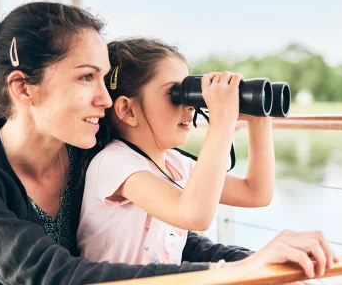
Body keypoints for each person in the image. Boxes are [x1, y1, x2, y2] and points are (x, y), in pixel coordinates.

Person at [0, 0, 338, 285]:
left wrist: (255, 263)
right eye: (86, 77)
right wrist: (230, 274)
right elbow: (45, 276)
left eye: (104, 79)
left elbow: (163, 238)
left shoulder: (87, 145)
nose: (106, 100)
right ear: (23, 88)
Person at [77, 38, 275, 266]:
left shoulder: (174, 164)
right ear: (127, 110)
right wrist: (222, 122)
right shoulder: (113, 163)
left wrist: (259, 119)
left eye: (190, 93)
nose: (190, 105)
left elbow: (256, 193)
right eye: (175, 94)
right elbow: (193, 215)